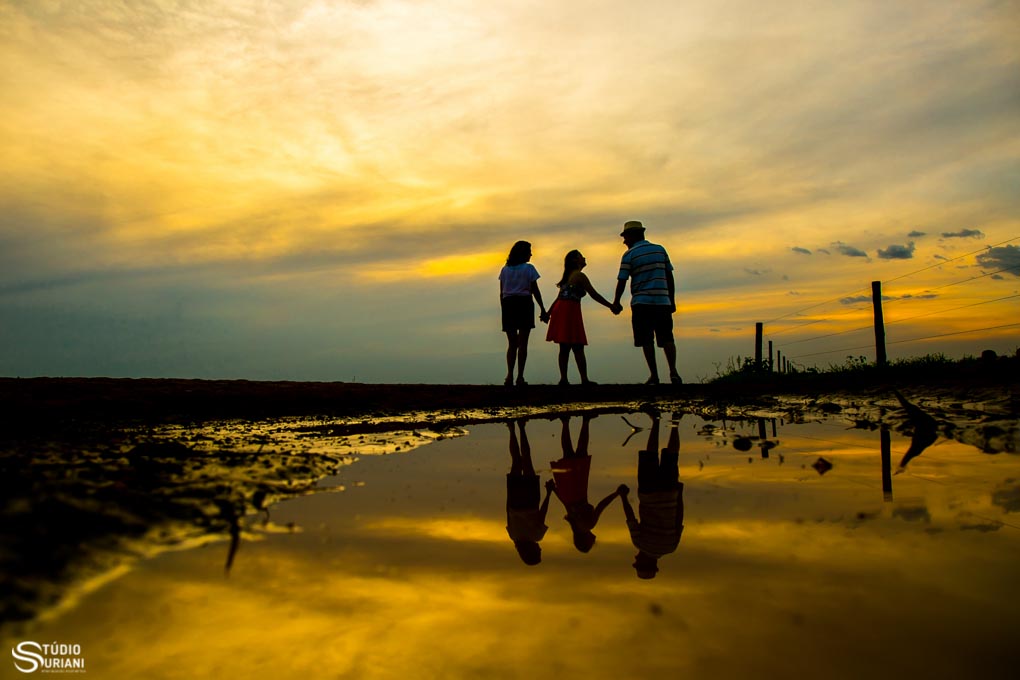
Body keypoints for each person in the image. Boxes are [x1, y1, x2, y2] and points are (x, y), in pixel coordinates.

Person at [611, 221, 682, 385]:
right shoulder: (660, 249)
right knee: (667, 338)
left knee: (646, 339)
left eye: (625, 237)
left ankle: (654, 375)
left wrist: (616, 302)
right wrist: (672, 299)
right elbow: (669, 276)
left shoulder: (629, 255)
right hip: (662, 301)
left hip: (641, 302)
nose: (624, 241)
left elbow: (622, 280)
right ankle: (674, 372)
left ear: (633, 235)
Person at [617, 411, 685, 579]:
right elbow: (630, 518)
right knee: (651, 455)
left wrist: (679, 494)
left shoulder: (671, 547)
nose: (635, 557)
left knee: (672, 457)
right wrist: (623, 497)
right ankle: (655, 421)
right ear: (644, 561)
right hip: (648, 494)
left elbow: (679, 518)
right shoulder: (639, 544)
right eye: (637, 561)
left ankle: (675, 422)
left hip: (670, 495)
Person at [548, 415, 623, 553]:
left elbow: (601, 505)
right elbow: (565, 503)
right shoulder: (575, 525)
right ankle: (565, 422)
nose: (594, 540)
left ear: (586, 540)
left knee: (581, 451)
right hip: (568, 493)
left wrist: (616, 494)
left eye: (591, 542)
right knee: (568, 453)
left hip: (578, 489)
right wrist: (554, 490)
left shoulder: (589, 525)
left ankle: (585, 421)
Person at [545, 249, 616, 386]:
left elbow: (559, 297)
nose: (584, 258)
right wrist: (610, 306)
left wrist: (549, 313)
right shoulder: (579, 276)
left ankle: (564, 379)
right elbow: (593, 294)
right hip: (569, 310)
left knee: (564, 346)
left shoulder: (569, 276)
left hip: (563, 309)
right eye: (581, 256)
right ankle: (583, 379)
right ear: (575, 260)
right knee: (577, 345)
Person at [499, 241, 548, 386]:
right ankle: (520, 376)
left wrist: (504, 309)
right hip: (524, 303)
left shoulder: (504, 270)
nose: (531, 254)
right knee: (523, 343)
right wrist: (542, 308)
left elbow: (501, 293)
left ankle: (509, 376)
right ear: (523, 253)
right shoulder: (529, 268)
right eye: (529, 251)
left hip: (508, 304)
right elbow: (535, 290)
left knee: (512, 343)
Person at [505, 419, 554, 565]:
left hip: (530, 500)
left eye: (539, 553)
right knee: (516, 461)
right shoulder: (513, 536)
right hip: (514, 501)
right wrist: (509, 493)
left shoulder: (537, 536)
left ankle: (521, 427)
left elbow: (542, 514)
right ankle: (512, 428)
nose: (541, 550)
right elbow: (507, 512)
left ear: (533, 551)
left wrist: (549, 493)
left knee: (527, 460)